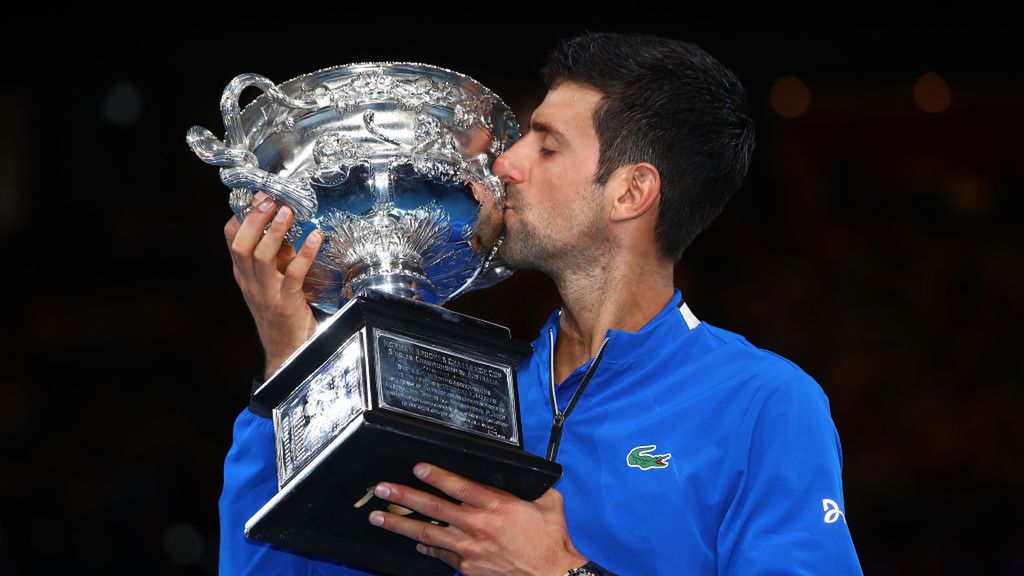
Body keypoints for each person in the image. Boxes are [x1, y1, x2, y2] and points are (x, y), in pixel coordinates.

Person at [219, 32, 863, 575]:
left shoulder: (760, 402)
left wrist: (562, 572)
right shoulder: (458, 391)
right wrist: (292, 366)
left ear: (630, 192)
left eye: (546, 145)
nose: (509, 164)